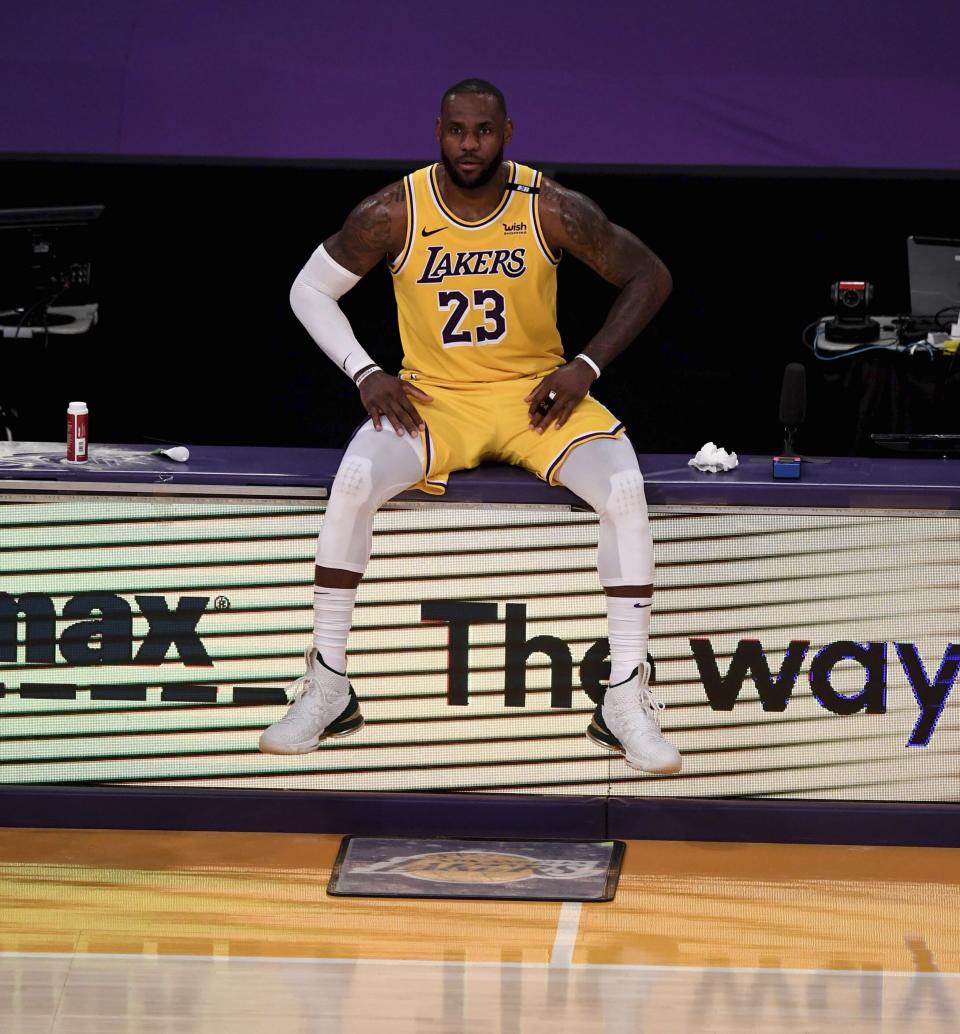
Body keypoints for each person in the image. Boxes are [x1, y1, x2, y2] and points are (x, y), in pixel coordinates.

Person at [259, 78, 680, 774]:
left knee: (625, 491)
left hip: (534, 400)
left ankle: (625, 696)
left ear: (507, 133)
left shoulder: (548, 207)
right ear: (438, 131)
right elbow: (308, 289)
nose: (470, 145)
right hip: (436, 400)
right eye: (457, 131)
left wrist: (587, 365)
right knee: (356, 475)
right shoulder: (395, 210)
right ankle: (328, 683)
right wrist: (365, 371)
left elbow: (650, 275)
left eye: (483, 131)